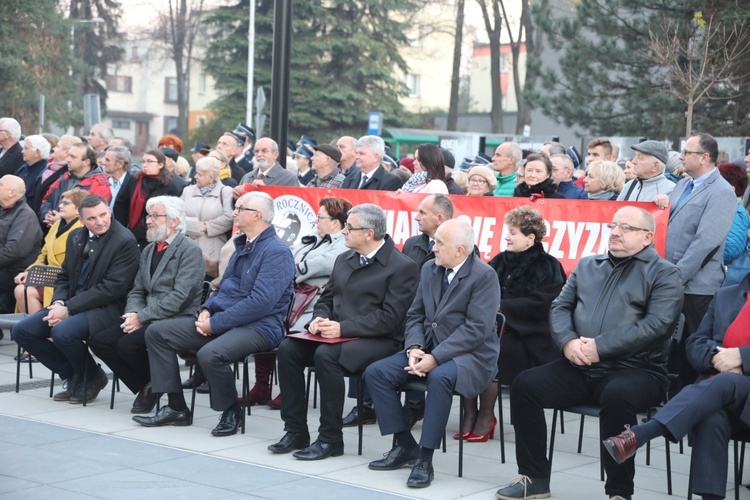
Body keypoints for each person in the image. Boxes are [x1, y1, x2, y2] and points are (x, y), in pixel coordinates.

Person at [494, 206, 684, 500]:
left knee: (617, 395)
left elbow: (657, 325)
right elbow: (559, 307)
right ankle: (534, 479)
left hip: (637, 370)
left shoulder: (665, 273)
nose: (616, 232)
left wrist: (599, 347)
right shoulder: (587, 265)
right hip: (580, 365)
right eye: (613, 226)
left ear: (647, 237)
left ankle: (619, 492)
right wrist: (569, 343)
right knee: (525, 385)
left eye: (626, 228)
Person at [134, 192, 294, 436]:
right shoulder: (242, 245)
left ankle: (230, 411)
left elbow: (260, 303)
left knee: (210, 354)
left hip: (261, 326)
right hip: (226, 320)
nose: (234, 212)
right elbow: (223, 287)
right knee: (157, 332)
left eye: (239, 208)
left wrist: (216, 323)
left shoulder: (276, 251)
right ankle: (176, 407)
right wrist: (207, 309)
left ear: (258, 215)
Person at [268, 203, 418, 460]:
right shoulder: (344, 258)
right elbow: (326, 299)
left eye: (349, 227)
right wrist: (318, 320)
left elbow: (391, 319)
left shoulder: (402, 266)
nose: (343, 232)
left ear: (369, 233)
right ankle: (295, 430)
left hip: (381, 340)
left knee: (326, 356)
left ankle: (330, 439)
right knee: (288, 348)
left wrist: (341, 328)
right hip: (338, 334)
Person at [365, 218, 500, 488]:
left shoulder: (484, 276)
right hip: (428, 347)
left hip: (470, 356)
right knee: (376, 372)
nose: (433, 247)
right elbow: (415, 314)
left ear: (460, 250)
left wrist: (435, 358)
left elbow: (476, 330)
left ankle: (424, 459)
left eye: (439, 243)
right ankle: (405, 445)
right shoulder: (429, 268)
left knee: (439, 377)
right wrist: (415, 348)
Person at [603, 272, 750, 500]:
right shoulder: (725, 296)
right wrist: (715, 358)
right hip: (719, 394)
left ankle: (641, 434)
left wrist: (741, 357)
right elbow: (696, 343)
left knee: (726, 383)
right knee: (712, 417)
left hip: (734, 389)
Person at [12, 194, 141, 404]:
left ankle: (90, 377)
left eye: (103, 215)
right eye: (92, 218)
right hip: (73, 303)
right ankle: (75, 375)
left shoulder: (124, 240)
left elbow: (112, 288)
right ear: (81, 220)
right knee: (23, 331)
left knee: (63, 332)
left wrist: (68, 308)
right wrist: (59, 302)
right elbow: (64, 276)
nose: (100, 221)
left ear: (109, 211)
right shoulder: (76, 237)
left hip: (107, 307)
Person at [458, 207, 566, 442]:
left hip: (527, 334)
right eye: (508, 232)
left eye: (513, 233)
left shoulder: (548, 266)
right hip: (492, 328)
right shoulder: (498, 261)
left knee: (494, 353)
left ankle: (486, 417)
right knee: (466, 348)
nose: (507, 237)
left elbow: (544, 304)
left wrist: (502, 307)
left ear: (530, 238)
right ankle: (470, 413)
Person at [88, 196, 204, 414]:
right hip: (146, 314)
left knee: (128, 345)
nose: (148, 221)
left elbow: (180, 297)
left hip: (176, 318)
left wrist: (143, 316)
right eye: (148, 215)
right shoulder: (149, 249)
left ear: (173, 221)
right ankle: (148, 384)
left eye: (154, 216)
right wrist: (133, 312)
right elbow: (137, 289)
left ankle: (156, 388)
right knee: (100, 341)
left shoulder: (189, 250)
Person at [248, 197, 353, 410]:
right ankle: (261, 386)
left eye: (321, 217)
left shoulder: (344, 243)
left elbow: (327, 263)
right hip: (289, 297)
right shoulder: (310, 238)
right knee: (264, 325)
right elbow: (286, 256)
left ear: (335, 223)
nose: (316, 221)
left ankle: (290, 391)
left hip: (315, 304)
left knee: (291, 335)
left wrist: (290, 270)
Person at [653, 133, 737, 390]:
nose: (681, 156)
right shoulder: (682, 184)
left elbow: (705, 243)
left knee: (691, 350)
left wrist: (675, 277)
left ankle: (689, 407)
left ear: (704, 157)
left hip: (696, 287)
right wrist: (661, 205)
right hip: (672, 279)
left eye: (687, 152)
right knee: (668, 352)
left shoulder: (722, 191)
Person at [13, 188, 87, 313]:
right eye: (61, 202)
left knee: (26, 291)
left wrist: (38, 276)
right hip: (48, 276)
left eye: (66, 203)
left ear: (78, 209)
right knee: (21, 289)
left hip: (64, 281)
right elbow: (43, 255)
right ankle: (31, 328)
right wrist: (30, 273)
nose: (60, 205)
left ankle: (40, 328)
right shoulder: (57, 225)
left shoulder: (82, 229)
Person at [180, 157, 234, 278]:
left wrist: (206, 226)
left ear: (210, 177)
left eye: (199, 174)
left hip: (213, 253)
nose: (195, 177)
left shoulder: (226, 192)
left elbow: (230, 217)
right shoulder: (187, 191)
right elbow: (177, 216)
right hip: (187, 250)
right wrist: (193, 226)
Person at [40, 143, 110, 229]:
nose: (68, 160)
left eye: (73, 157)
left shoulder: (99, 184)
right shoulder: (63, 178)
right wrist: (47, 215)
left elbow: (93, 214)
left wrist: (62, 219)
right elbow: (47, 199)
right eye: (68, 155)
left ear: (86, 162)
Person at [0, 175, 43, 313]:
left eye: (1, 184)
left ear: (11, 192)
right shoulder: (4, 210)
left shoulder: (25, 215)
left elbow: (14, 251)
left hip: (15, 271)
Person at [128, 149, 183, 249]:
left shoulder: (169, 185)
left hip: (153, 234)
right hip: (129, 231)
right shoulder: (135, 179)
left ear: (160, 165)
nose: (145, 165)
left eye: (149, 161)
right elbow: (122, 205)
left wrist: (133, 233)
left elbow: (164, 216)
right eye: (143, 161)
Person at [717, 163, 750, 286]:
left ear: (731, 188)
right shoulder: (727, 207)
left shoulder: (736, 212)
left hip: (727, 279)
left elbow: (731, 249)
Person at [234, 137, 299, 195]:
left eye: (264, 151)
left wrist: (265, 189)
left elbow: (291, 205)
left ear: (275, 155)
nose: (259, 154)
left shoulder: (288, 179)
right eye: (256, 151)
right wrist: (235, 197)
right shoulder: (247, 177)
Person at [100, 146, 135, 227]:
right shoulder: (102, 181)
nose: (103, 162)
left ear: (120, 164)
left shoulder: (133, 183)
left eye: (107, 160)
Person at [15, 134, 50, 212]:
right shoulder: (23, 168)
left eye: (26, 148)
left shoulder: (44, 173)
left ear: (37, 152)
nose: (22, 151)